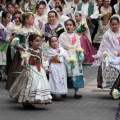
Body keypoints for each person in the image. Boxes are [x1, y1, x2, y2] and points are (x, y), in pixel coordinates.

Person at [9, 34, 52, 109]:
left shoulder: (40, 51)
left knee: (38, 84)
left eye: (40, 41)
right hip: (30, 69)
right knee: (30, 84)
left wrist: (46, 68)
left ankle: (33, 99)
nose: (39, 43)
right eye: (37, 41)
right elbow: (24, 60)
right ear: (31, 42)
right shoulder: (28, 50)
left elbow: (42, 61)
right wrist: (25, 62)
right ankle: (26, 101)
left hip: (39, 70)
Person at [6, 12, 40, 90]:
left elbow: (38, 42)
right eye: (32, 18)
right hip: (22, 54)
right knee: (21, 71)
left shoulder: (34, 30)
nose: (33, 20)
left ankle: (32, 90)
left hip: (32, 53)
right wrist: (19, 46)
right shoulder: (20, 30)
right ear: (27, 20)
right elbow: (15, 42)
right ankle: (20, 90)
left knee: (33, 72)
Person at [59, 19, 84, 99]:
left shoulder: (76, 36)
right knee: (65, 73)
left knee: (76, 73)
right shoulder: (62, 35)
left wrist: (80, 53)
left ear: (74, 27)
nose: (68, 26)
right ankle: (63, 91)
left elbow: (78, 46)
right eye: (67, 25)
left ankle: (77, 92)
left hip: (75, 56)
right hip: (66, 55)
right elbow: (60, 46)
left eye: (70, 25)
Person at [93, 16, 120, 89]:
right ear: (110, 25)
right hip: (110, 55)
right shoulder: (107, 34)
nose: (114, 26)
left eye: (116, 24)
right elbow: (103, 46)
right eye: (112, 25)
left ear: (119, 24)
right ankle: (114, 88)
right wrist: (98, 55)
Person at [47, 36, 68, 100]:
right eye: (52, 41)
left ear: (58, 42)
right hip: (54, 66)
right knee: (54, 79)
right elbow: (47, 60)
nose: (54, 43)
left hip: (61, 66)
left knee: (62, 78)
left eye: (55, 41)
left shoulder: (62, 50)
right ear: (50, 43)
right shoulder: (49, 51)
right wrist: (46, 68)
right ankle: (54, 93)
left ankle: (62, 91)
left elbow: (66, 57)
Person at [0, 11, 13, 80]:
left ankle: (5, 73)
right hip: (1, 45)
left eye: (10, 17)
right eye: (8, 17)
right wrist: (4, 38)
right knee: (1, 58)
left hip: (9, 45)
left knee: (7, 59)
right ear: (3, 18)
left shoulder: (11, 25)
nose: (9, 19)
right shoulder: (0, 25)